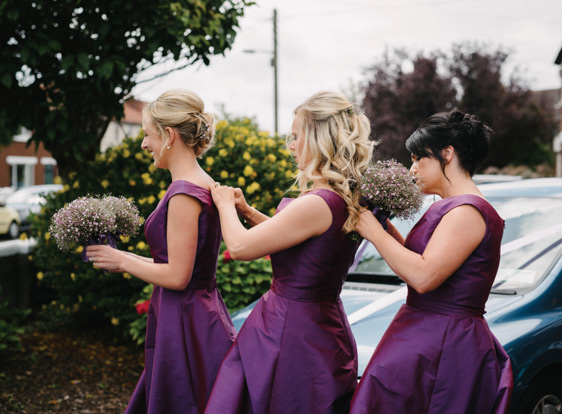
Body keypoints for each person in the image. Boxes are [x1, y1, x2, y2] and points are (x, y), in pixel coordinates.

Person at [204, 91, 374, 414]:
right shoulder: (339, 197)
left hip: (292, 332)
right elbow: (302, 249)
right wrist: (249, 212)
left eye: (296, 137)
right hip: (320, 322)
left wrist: (225, 205)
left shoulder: (317, 201)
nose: (291, 146)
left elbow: (239, 247)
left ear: (319, 138)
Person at [350, 110, 513, 414]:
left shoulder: (468, 211)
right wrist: (384, 228)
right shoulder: (449, 206)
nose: (412, 169)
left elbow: (424, 276)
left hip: (444, 342)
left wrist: (374, 233)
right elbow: (418, 261)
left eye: (417, 158)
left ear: (447, 154)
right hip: (425, 332)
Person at [86, 89, 236, 414]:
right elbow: (177, 263)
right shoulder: (202, 182)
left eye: (146, 135)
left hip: (184, 318)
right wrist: (121, 258)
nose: (143, 144)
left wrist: (123, 260)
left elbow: (178, 276)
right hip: (197, 312)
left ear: (168, 135)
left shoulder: (184, 193)